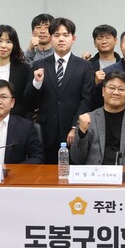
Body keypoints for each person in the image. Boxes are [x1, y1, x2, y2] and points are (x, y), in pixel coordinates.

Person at [25, 17, 94, 164]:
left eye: (65, 35)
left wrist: (75, 127)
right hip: (45, 132)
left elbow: (86, 100)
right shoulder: (39, 65)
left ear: (73, 39)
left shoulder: (84, 66)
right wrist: (37, 83)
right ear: (51, 39)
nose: (61, 39)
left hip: (72, 132)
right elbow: (29, 102)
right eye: (56, 35)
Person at [71, 71, 125, 166]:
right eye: (112, 88)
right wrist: (82, 133)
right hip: (94, 174)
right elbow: (76, 159)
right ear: (103, 91)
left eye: (121, 89)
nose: (116, 92)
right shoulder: (87, 120)